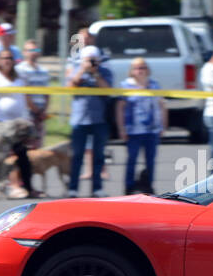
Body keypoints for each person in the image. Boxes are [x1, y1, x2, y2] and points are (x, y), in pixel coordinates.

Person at [0, 48, 33, 197]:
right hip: (0, 124)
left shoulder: (20, 77)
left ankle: (28, 188)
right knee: (0, 157)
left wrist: (36, 111)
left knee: (22, 156)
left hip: (18, 125)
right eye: (4, 58)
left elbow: (26, 98)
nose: (7, 61)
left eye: (9, 58)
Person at [67, 44, 112, 197]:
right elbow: (70, 87)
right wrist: (82, 70)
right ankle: (73, 188)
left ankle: (97, 188)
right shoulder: (76, 71)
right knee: (77, 156)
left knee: (98, 156)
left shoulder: (104, 72)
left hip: (99, 120)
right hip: (79, 120)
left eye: (94, 60)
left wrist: (96, 73)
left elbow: (107, 91)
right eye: (89, 60)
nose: (92, 63)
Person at [116, 58, 165, 194]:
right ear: (132, 71)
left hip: (152, 129)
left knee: (151, 159)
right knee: (132, 159)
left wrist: (163, 125)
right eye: (137, 68)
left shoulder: (154, 85)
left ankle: (149, 185)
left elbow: (161, 106)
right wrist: (121, 128)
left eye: (143, 67)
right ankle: (129, 186)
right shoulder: (125, 85)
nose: (140, 71)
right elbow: (120, 108)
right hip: (133, 130)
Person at [16, 41, 52, 147]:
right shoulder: (20, 69)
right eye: (30, 50)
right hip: (25, 114)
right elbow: (24, 93)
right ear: (24, 52)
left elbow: (47, 93)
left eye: (36, 50)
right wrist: (36, 111)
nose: (33, 53)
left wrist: (43, 111)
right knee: (24, 144)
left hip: (39, 115)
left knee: (37, 144)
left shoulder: (44, 71)